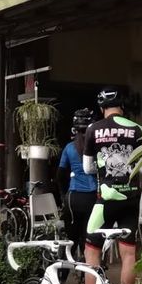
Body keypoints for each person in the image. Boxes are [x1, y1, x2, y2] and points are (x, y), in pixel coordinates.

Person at [80, 88, 142, 284]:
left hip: (106, 199)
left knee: (92, 249)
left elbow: (87, 168)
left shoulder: (93, 129)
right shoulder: (138, 129)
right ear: (122, 107)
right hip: (131, 197)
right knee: (129, 253)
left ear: (102, 108)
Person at [55, 107, 98, 261]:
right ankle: (87, 273)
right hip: (92, 197)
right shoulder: (96, 147)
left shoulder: (69, 148)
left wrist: (63, 195)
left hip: (73, 198)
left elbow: (60, 175)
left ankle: (61, 273)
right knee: (89, 241)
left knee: (70, 241)